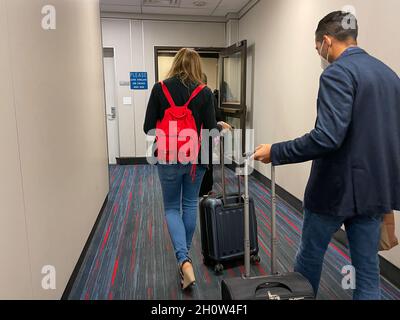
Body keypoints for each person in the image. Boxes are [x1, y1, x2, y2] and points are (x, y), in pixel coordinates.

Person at [254, 11, 400, 300]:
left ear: (327, 41)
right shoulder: (389, 75)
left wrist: (276, 151)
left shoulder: (336, 73)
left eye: (318, 47)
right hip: (374, 191)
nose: (319, 53)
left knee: (309, 257)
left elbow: (326, 137)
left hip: (334, 191)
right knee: (367, 272)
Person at [143, 48, 229, 290]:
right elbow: (211, 130)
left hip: (168, 156)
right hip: (197, 157)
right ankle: (185, 257)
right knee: (190, 204)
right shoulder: (204, 92)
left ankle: (183, 260)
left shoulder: (160, 88)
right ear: (197, 66)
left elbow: (147, 126)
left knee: (171, 207)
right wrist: (219, 126)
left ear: (176, 63)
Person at [199, 74, 231, 196]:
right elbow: (217, 116)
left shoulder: (190, 94)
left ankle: (197, 187)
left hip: (193, 134)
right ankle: (206, 190)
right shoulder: (208, 95)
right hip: (207, 132)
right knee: (207, 162)